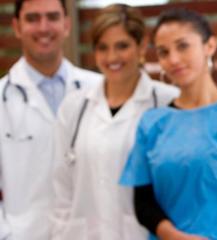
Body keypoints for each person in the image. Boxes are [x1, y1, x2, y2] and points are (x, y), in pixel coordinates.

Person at [120, 8, 217, 240]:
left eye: (183, 46)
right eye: (164, 52)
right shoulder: (152, 123)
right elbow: (143, 202)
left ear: (210, 46)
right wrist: (174, 236)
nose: (173, 59)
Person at [50, 4, 179, 240]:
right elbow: (62, 192)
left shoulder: (168, 102)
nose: (112, 57)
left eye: (122, 46)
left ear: (141, 45)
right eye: (103, 48)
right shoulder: (74, 107)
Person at [0, 0, 101, 239]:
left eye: (52, 17)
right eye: (33, 18)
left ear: (66, 24)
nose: (43, 28)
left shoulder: (98, 91)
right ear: (16, 26)